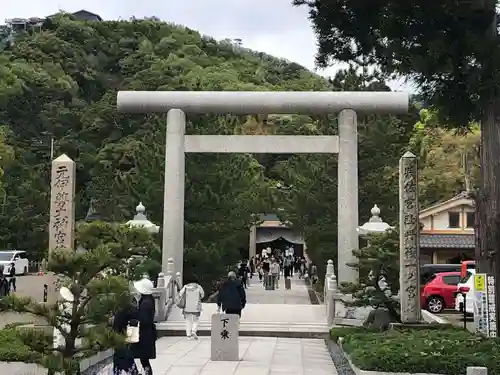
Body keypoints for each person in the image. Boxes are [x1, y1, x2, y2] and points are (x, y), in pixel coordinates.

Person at [131, 278, 157, 375]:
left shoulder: (146, 303)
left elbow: (144, 320)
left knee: (142, 359)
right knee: (144, 360)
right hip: (146, 333)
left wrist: (132, 320)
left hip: (144, 335)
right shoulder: (148, 299)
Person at [112, 299, 139, 375]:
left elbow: (117, 325)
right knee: (123, 361)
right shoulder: (130, 308)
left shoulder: (123, 309)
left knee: (123, 360)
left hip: (122, 339)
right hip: (124, 339)